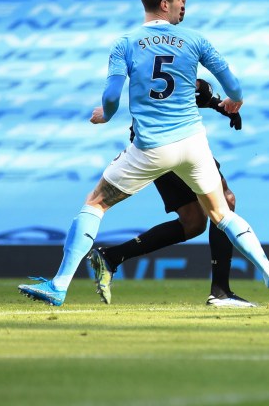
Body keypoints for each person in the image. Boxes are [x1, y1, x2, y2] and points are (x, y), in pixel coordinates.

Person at [18, 0, 269, 309]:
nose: (184, 6)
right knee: (221, 213)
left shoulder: (125, 43)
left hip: (153, 146)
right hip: (193, 144)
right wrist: (231, 101)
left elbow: (111, 97)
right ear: (165, 4)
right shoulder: (195, 41)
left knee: (96, 203)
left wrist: (104, 115)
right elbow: (235, 87)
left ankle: (60, 284)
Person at [88, 79, 256, 308]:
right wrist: (219, 102)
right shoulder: (177, 56)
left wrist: (218, 105)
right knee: (225, 200)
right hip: (175, 144)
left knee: (193, 222)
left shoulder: (160, 59)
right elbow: (187, 90)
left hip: (152, 144)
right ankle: (221, 292)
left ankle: (112, 256)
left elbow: (189, 92)